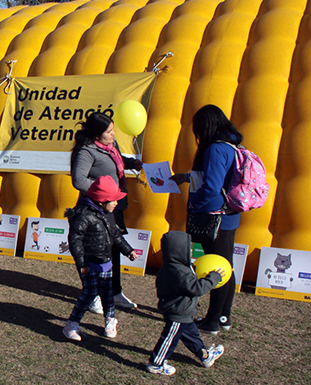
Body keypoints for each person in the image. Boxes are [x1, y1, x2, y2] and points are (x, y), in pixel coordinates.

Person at [171, 104, 242, 335]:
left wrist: (194, 205)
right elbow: (216, 178)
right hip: (228, 216)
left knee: (219, 268)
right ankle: (223, 316)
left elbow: (211, 186)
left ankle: (212, 320)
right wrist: (185, 177)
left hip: (214, 217)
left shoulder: (214, 149)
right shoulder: (230, 145)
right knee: (226, 265)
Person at [70, 112, 143, 313]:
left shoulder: (111, 146)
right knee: (95, 251)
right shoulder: (86, 151)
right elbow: (78, 180)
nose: (113, 134)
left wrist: (131, 163)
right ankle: (92, 294)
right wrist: (104, 191)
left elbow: (115, 162)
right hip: (95, 208)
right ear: (96, 134)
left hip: (114, 206)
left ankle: (114, 291)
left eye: (113, 130)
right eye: (109, 131)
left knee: (113, 249)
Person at [61, 175, 137, 340]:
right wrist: (82, 263)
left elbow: (116, 235)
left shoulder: (108, 214)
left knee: (107, 293)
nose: (117, 203)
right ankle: (71, 324)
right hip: (89, 264)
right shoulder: (82, 216)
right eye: (114, 200)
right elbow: (75, 242)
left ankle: (110, 320)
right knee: (89, 293)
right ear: (102, 201)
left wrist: (128, 250)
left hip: (106, 263)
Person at [147, 231, 225, 375]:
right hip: (178, 311)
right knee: (169, 338)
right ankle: (156, 363)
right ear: (178, 250)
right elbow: (196, 288)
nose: (190, 250)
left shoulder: (175, 266)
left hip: (184, 311)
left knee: (192, 335)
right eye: (188, 247)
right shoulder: (178, 271)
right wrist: (214, 278)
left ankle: (205, 356)